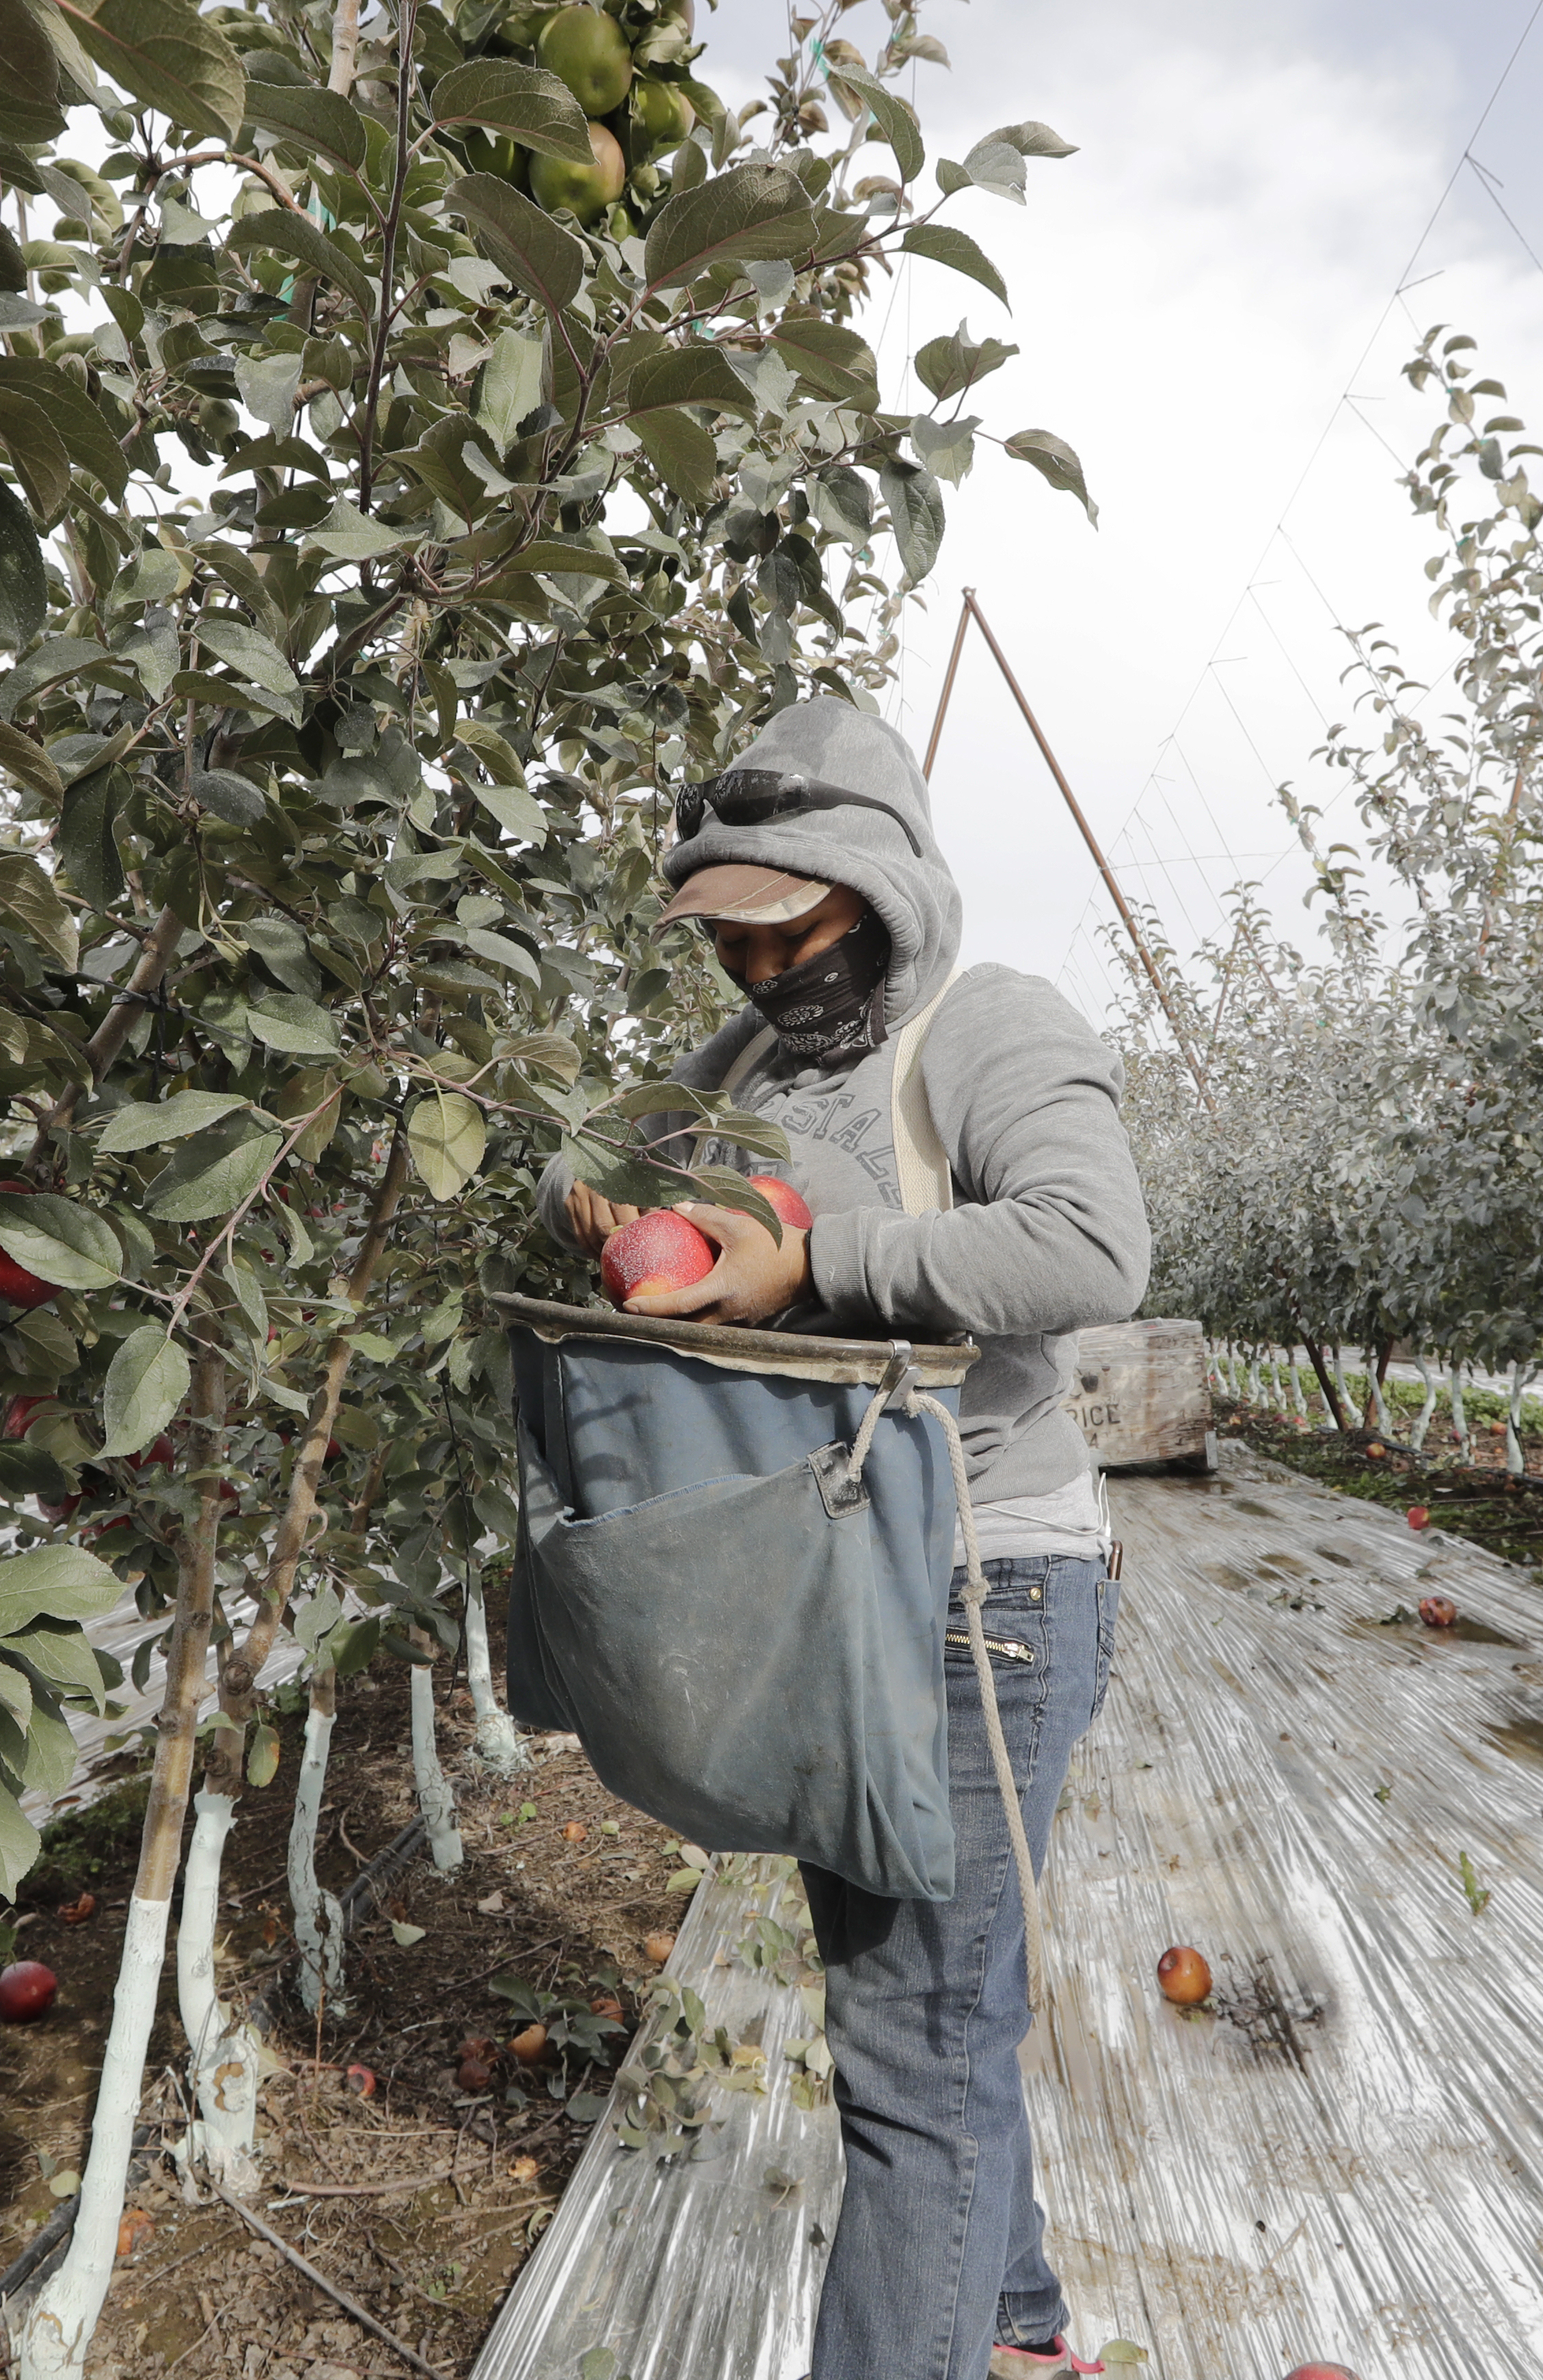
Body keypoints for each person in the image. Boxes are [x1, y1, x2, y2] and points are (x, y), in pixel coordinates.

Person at [538, 696, 1150, 2380]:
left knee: (913, 2052)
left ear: (873, 886)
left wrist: (821, 1259)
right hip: (831, 1587)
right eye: (725, 939)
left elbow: (1093, 1250)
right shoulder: (726, 1075)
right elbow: (587, 1166)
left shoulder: (983, 1024)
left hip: (984, 1592)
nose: (752, 970)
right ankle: (1016, 2323)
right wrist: (589, 1194)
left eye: (783, 927)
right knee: (929, 2024)